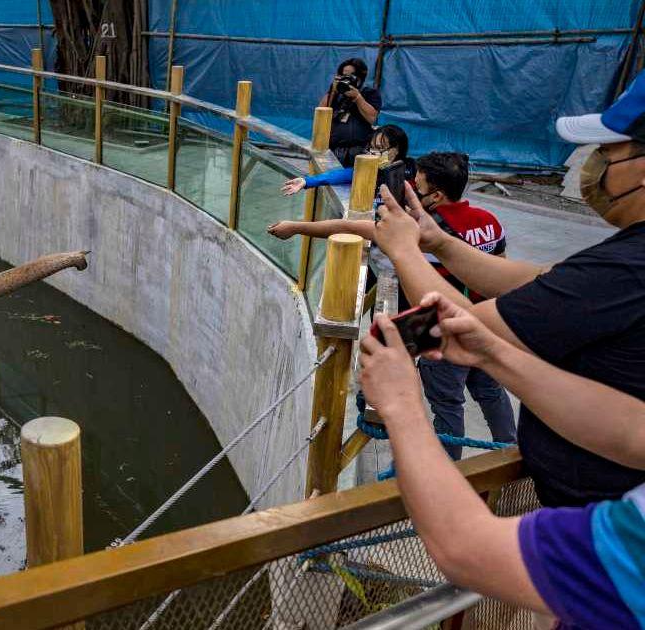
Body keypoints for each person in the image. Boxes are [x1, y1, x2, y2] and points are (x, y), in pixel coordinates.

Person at [371, 73, 645, 507]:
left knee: (448, 404)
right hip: (588, 495)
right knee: (489, 394)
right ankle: (500, 454)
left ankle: (447, 482)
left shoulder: (628, 268)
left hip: (595, 519)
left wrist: (403, 263)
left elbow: (459, 330)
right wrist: (438, 243)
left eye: (609, 151)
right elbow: (540, 280)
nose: (595, 164)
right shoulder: (620, 258)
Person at [360, 292, 645, 628]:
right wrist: (492, 354)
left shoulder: (632, 535)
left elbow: (466, 548)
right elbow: (633, 430)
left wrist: (400, 404)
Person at [270, 153, 515, 457]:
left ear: (436, 196)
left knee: (446, 403)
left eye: (417, 186)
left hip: (440, 325)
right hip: (486, 321)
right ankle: (511, 453)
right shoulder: (490, 222)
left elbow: (352, 228)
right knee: (490, 391)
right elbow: (499, 273)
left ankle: (447, 473)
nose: (410, 188)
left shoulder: (421, 231)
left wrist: (296, 227)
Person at [280, 124, 413, 196]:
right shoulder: (369, 169)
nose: (374, 153)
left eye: (380, 148)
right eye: (372, 148)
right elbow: (339, 175)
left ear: (396, 149)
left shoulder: (411, 172)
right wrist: (306, 181)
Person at [319, 58, 381, 167]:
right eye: (343, 76)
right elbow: (321, 113)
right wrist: (333, 91)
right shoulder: (336, 94)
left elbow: (372, 118)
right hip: (333, 150)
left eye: (350, 76)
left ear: (360, 78)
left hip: (358, 151)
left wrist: (357, 97)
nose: (346, 79)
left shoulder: (369, 93)